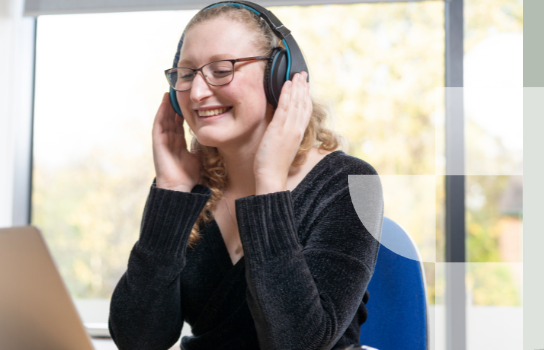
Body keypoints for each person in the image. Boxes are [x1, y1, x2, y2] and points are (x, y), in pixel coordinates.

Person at [109, 2, 384, 349]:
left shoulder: (350, 183)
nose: (196, 92)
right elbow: (138, 339)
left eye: (222, 70)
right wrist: (171, 192)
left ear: (279, 75)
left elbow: (298, 343)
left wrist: (269, 185)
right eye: (187, 73)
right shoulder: (186, 187)